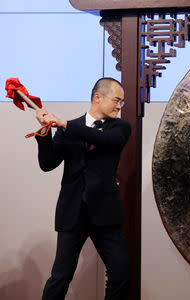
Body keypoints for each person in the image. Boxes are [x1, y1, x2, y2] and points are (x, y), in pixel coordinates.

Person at [35, 78, 131, 300]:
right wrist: (45, 133)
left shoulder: (120, 128)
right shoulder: (68, 127)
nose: (119, 106)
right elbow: (47, 164)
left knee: (120, 273)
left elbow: (106, 140)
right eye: (117, 100)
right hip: (72, 212)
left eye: (122, 102)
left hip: (106, 213)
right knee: (60, 277)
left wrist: (66, 125)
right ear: (98, 97)